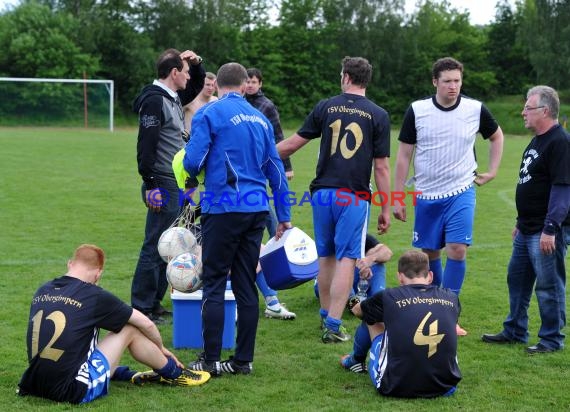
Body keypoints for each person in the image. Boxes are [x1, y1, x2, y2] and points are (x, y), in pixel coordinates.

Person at [183, 62, 292, 376]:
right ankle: (243, 361)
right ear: (245, 85)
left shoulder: (209, 114)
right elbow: (277, 172)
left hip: (224, 207)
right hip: (256, 210)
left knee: (215, 282)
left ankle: (210, 360)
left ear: (217, 85)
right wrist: (283, 216)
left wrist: (188, 162)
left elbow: (192, 162)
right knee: (246, 285)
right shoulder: (260, 119)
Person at [278, 56, 391, 343]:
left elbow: (292, 145)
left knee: (326, 256)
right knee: (346, 258)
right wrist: (386, 207)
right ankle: (333, 324)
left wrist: (256, 157)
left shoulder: (326, 106)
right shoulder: (378, 114)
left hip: (322, 193)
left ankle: (325, 314)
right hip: (353, 195)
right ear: (365, 80)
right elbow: (381, 167)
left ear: (346, 77)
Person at [393, 57, 504, 336]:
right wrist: (397, 196)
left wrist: (492, 170)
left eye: (457, 80)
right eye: (447, 81)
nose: (453, 86)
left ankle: (448, 312)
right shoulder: (417, 111)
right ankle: (436, 304)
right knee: (431, 253)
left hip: (461, 190)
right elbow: (404, 154)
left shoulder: (475, 109)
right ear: (435, 82)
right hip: (426, 193)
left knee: (457, 249)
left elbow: (496, 136)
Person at [18, 244, 210, 404]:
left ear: (70, 264)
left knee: (85, 334)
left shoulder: (43, 289)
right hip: (72, 390)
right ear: (98, 273)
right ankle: (174, 373)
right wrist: (162, 348)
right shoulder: (93, 295)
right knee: (129, 328)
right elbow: (147, 324)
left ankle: (122, 373)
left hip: (32, 383)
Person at [482, 85, 570, 354]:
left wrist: (550, 228)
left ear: (544, 111)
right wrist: (520, 222)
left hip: (546, 230)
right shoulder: (536, 140)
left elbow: (562, 189)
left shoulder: (560, 142)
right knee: (517, 279)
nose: (523, 112)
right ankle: (515, 330)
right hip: (527, 228)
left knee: (548, 285)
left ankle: (552, 339)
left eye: (528, 108)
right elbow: (531, 183)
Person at [131, 48, 205, 324]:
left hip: (176, 182)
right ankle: (141, 307)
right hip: (161, 181)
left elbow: (195, 86)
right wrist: (150, 184)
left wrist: (197, 64)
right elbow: (145, 145)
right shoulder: (154, 101)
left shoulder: (171, 97)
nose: (188, 77)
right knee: (155, 244)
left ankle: (155, 304)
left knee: (171, 245)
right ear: (174, 73)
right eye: (185, 72)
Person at [348, 250, 462, 398]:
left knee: (371, 317)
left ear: (400, 277)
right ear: (430, 276)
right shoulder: (451, 297)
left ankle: (355, 360)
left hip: (394, 386)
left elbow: (358, 311)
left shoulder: (388, 296)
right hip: (446, 386)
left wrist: (351, 300)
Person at [183, 71, 218, 136]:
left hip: (208, 141)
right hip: (189, 141)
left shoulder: (216, 101)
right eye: (207, 85)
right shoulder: (190, 101)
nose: (210, 88)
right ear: (202, 84)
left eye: (213, 85)